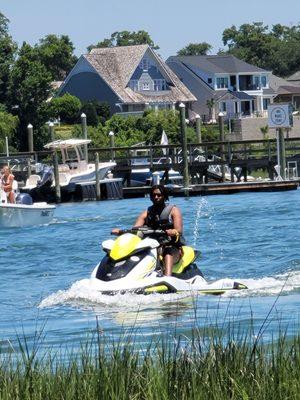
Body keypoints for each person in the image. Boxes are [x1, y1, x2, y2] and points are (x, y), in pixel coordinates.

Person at [112, 184, 184, 276]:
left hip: (173, 248)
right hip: (154, 247)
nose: (156, 197)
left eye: (159, 195)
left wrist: (173, 231)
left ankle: (168, 278)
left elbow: (179, 230)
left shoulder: (173, 210)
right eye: (153, 195)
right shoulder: (147, 212)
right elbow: (135, 229)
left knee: (168, 251)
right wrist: (121, 232)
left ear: (165, 196)